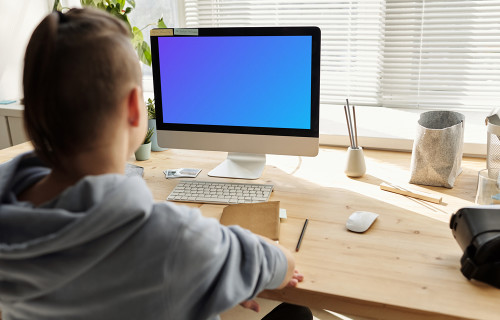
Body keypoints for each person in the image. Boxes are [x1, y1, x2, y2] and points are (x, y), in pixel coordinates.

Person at [0, 8, 311, 320]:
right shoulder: (174, 239)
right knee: (296, 313)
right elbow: (283, 266)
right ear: (135, 107)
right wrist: (219, 268)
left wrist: (210, 274)